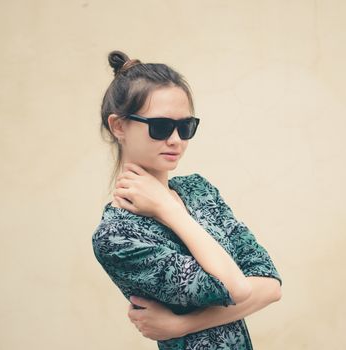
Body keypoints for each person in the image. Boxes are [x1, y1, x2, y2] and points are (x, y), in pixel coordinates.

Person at [91, 50, 283, 349]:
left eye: (185, 127)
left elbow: (270, 286)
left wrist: (183, 324)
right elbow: (237, 289)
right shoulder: (116, 236)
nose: (176, 140)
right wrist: (170, 212)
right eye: (161, 127)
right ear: (118, 126)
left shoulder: (198, 191)